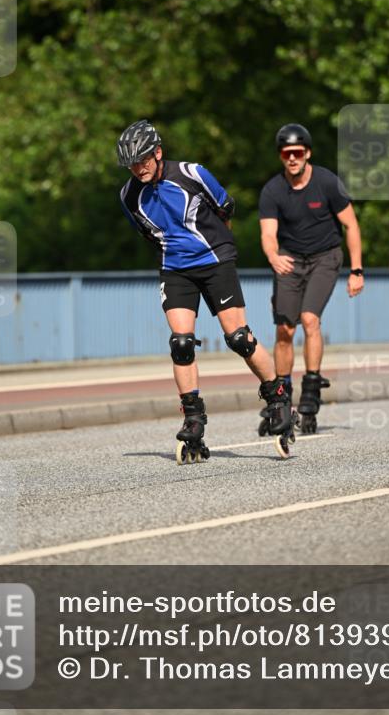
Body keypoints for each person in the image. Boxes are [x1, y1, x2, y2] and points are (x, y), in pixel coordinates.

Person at [117, 119, 295, 461]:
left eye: (142, 160)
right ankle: (194, 420)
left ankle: (278, 397)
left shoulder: (191, 173)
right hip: (175, 269)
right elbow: (148, 233)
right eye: (131, 164)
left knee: (238, 337)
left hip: (215, 261)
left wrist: (216, 245)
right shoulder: (128, 196)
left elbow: (225, 208)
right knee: (180, 343)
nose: (137, 168)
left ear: (157, 152)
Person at [258, 123, 364, 434]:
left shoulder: (328, 182)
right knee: (284, 329)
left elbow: (352, 226)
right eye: (286, 153)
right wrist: (273, 256)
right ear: (281, 156)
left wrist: (356, 270)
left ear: (307, 153)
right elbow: (267, 233)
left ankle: (311, 390)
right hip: (290, 260)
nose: (292, 158)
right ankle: (281, 397)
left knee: (309, 319)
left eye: (297, 152)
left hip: (325, 257)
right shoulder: (273, 190)